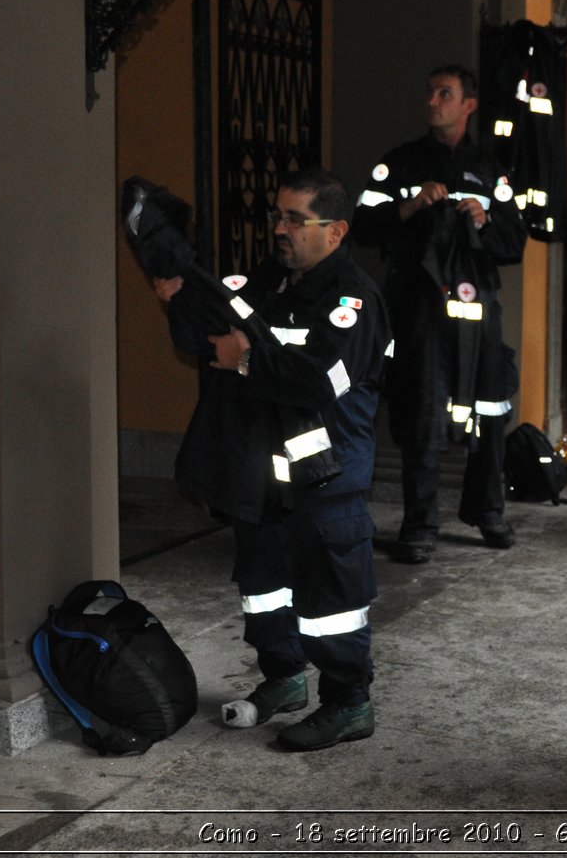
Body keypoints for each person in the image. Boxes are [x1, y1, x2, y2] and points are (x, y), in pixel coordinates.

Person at [155, 169, 392, 752]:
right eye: (277, 216)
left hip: (325, 479)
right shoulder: (270, 282)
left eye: (294, 219)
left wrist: (245, 362)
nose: (279, 229)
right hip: (264, 475)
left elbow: (315, 383)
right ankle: (284, 681)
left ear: (335, 231)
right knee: (264, 591)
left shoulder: (353, 300)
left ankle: (348, 704)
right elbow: (210, 338)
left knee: (329, 605)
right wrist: (177, 298)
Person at [353, 65, 528, 565]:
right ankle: (420, 524)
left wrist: (485, 218)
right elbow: (362, 225)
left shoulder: (491, 171)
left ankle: (488, 510)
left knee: (490, 409)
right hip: (420, 310)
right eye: (429, 92)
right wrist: (408, 208)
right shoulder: (400, 164)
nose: (432, 101)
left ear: (468, 104)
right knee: (424, 411)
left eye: (444, 94)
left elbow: (515, 241)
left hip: (478, 311)